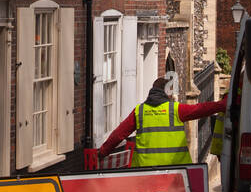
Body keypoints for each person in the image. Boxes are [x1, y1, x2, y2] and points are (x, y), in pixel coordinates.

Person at [87, 68, 227, 170]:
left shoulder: (139, 111)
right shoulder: (176, 109)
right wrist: (223, 104)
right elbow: (201, 109)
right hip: (176, 170)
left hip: (145, 171)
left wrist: (103, 152)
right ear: (167, 92)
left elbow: (118, 134)